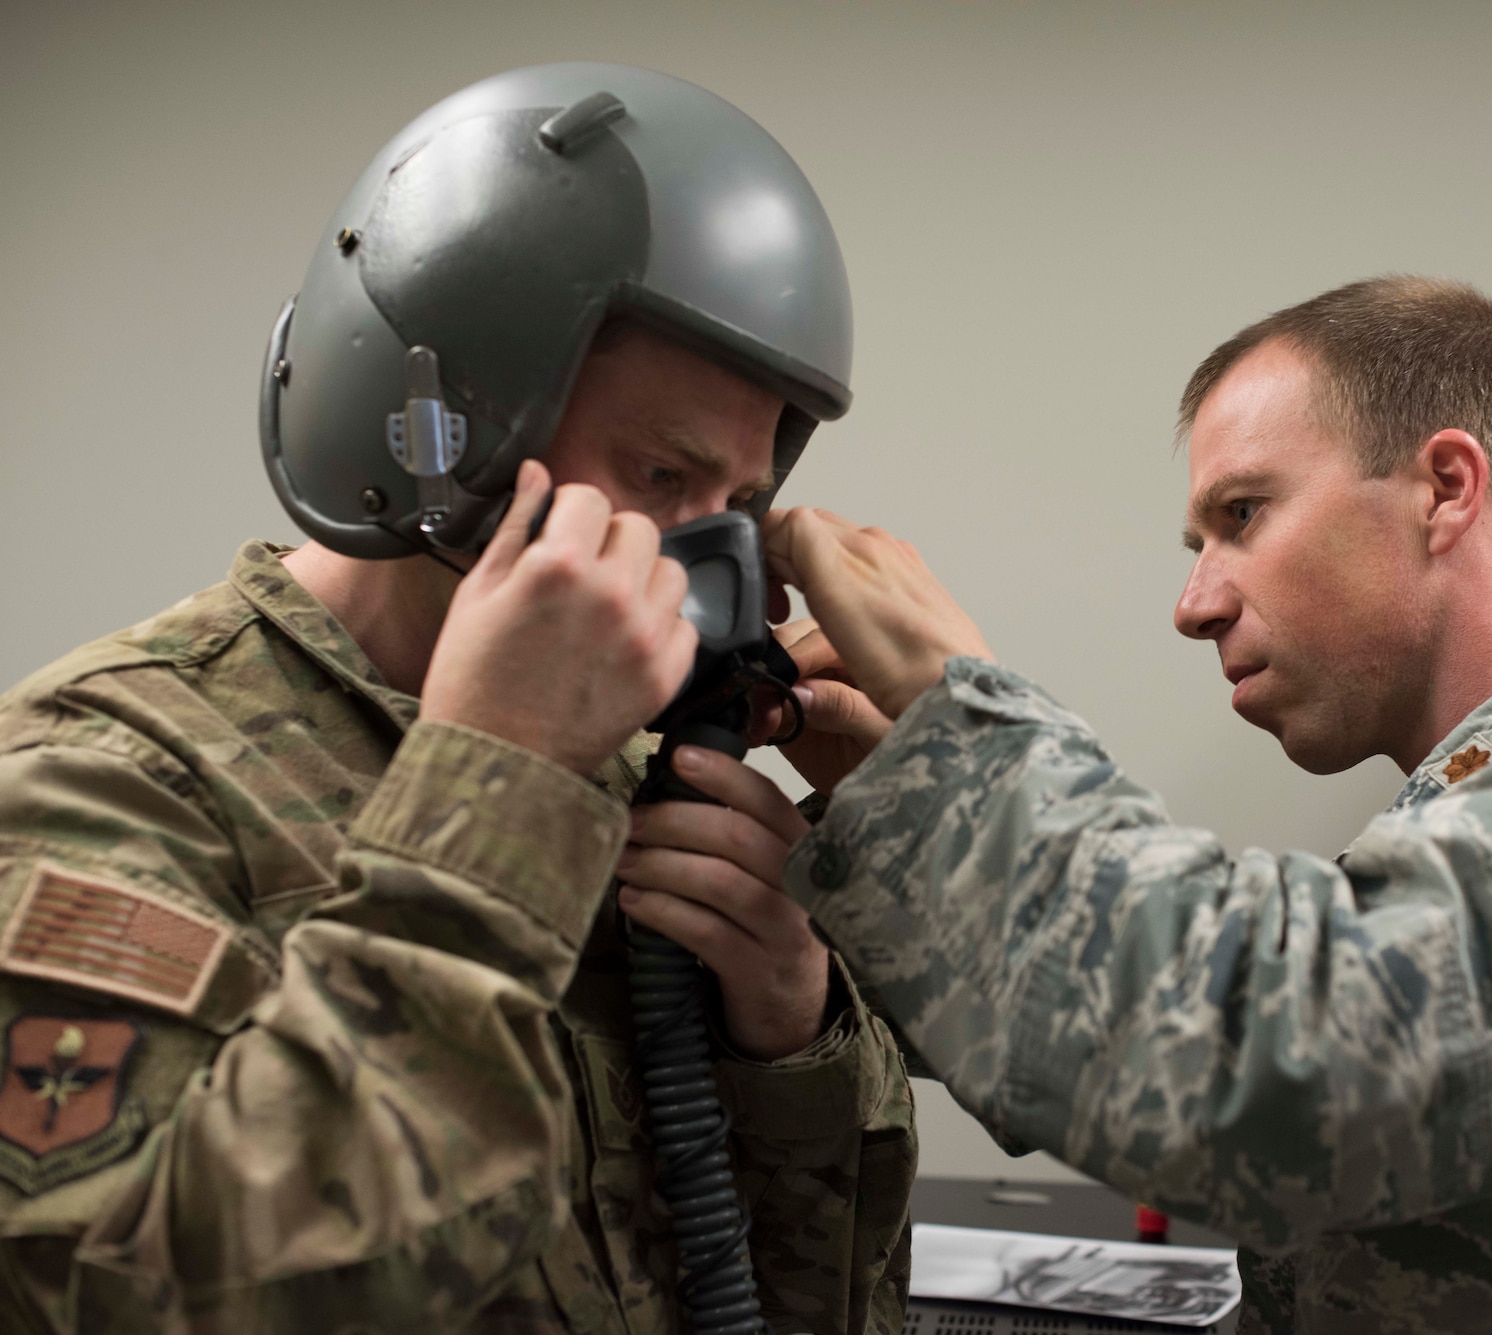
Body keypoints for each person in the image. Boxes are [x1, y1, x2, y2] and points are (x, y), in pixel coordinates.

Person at [740, 277, 1492, 1331]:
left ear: (1444, 490)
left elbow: (1273, 1073)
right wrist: (896, 818)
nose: (1192, 605)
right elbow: (1161, 1042)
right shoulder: (1442, 836)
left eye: (1240, 515)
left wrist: (959, 732)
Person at [0, 65, 914, 1333]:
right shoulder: (104, 776)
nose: (710, 563)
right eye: (660, 472)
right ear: (428, 428)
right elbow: (145, 1301)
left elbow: (819, 1298)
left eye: (738, 504)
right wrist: (495, 791)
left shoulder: (625, 778)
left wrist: (787, 1033)